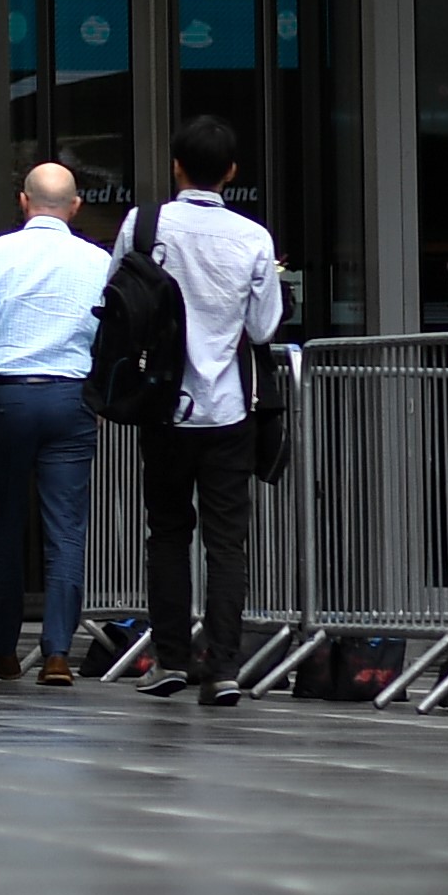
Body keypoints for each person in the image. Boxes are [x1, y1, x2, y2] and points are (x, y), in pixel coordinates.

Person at [135, 116, 286, 708]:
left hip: (163, 405)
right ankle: (222, 667)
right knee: (227, 542)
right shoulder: (252, 237)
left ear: (176, 166)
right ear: (231, 173)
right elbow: (264, 325)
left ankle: (169, 658)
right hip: (228, 407)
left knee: (167, 532)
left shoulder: (143, 225)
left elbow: (120, 301)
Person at [0, 163, 114, 686]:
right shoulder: (98, 261)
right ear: (75, 206)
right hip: (70, 399)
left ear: (23, 202)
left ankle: (0, 647)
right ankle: (59, 652)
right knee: (66, 530)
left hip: (8, 399)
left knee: (2, 527)